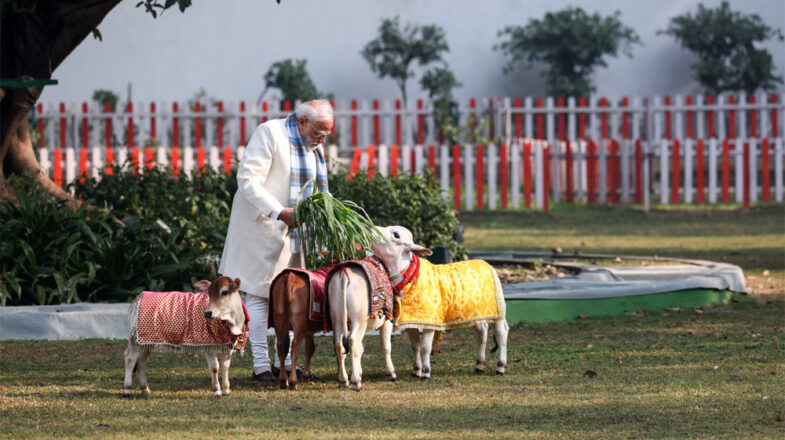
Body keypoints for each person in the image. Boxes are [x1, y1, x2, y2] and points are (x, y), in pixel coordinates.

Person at [218, 99, 334, 382]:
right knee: (259, 295)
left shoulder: (313, 146)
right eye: (319, 132)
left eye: (326, 134)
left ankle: (289, 364)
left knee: (294, 297)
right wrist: (279, 211)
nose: (321, 139)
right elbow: (247, 180)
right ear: (302, 122)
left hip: (295, 233)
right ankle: (261, 367)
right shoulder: (269, 133)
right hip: (262, 226)